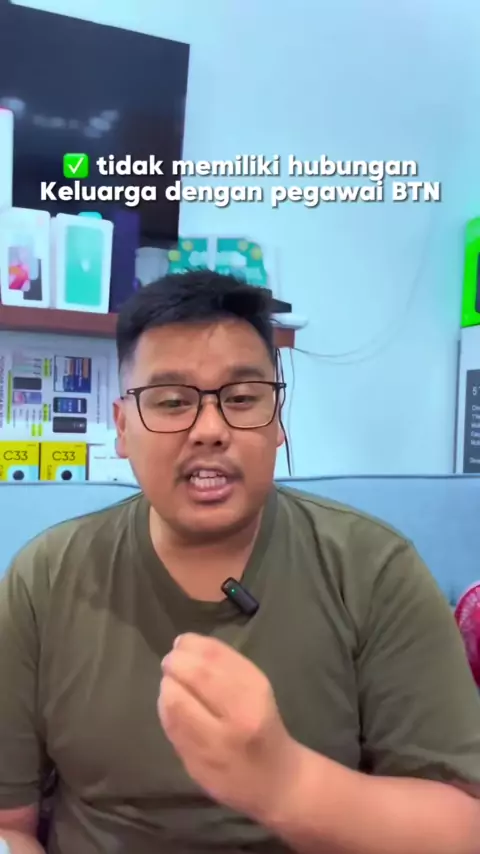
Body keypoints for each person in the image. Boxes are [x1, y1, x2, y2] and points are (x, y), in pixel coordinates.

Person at [0, 271, 479, 854]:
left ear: (278, 420)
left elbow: (464, 827)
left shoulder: (375, 570)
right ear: (123, 428)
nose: (210, 430)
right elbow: (10, 824)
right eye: (172, 402)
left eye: (242, 399)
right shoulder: (44, 578)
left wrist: (286, 784)